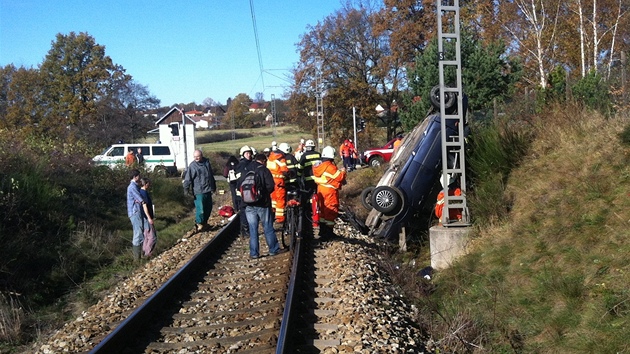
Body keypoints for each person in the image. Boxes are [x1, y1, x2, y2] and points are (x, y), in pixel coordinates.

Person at [238, 153, 283, 259]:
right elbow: (271, 186)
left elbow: (239, 184)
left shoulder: (246, 168)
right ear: (263, 161)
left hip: (248, 204)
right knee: (267, 226)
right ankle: (273, 249)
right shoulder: (264, 170)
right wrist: (263, 195)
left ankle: (254, 253)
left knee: (253, 229)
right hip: (262, 203)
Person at [312, 146, 347, 239]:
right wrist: (343, 171)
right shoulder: (330, 167)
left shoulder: (318, 166)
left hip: (320, 190)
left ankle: (322, 231)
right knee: (331, 210)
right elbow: (339, 177)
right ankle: (329, 233)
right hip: (329, 191)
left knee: (322, 211)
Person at [182, 149, 217, 232]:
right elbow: (188, 179)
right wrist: (186, 189)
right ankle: (199, 224)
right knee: (200, 209)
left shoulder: (206, 163)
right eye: (195, 157)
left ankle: (204, 223)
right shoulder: (192, 166)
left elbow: (210, 175)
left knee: (208, 207)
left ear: (201, 156)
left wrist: (213, 185)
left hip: (207, 189)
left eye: (198, 156)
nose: (196, 158)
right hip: (198, 191)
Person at [127, 169, 147, 260]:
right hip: (135, 212)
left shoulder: (134, 186)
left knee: (140, 232)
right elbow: (140, 199)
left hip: (136, 211)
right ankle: (137, 258)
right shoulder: (132, 187)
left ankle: (140, 255)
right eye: (139, 176)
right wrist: (142, 200)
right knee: (138, 233)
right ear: (135, 177)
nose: (140, 178)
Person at [267, 143, 289, 225]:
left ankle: (271, 215)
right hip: (279, 181)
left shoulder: (271, 157)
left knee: (273, 199)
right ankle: (280, 218)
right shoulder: (281, 158)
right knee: (280, 199)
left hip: (270, 180)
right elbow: (285, 171)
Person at [235, 146, 254, 237]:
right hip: (243, 191)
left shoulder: (251, 163)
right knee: (243, 210)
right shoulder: (241, 165)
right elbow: (239, 179)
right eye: (247, 153)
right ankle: (245, 230)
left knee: (248, 210)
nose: (249, 155)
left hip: (249, 191)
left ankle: (246, 230)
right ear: (243, 154)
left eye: (249, 153)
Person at [140, 177, 156, 257]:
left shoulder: (140, 192)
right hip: (147, 217)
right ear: (146, 184)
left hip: (143, 217)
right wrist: (149, 217)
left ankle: (144, 252)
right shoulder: (144, 193)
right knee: (152, 236)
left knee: (146, 236)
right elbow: (144, 206)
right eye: (148, 184)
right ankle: (148, 253)